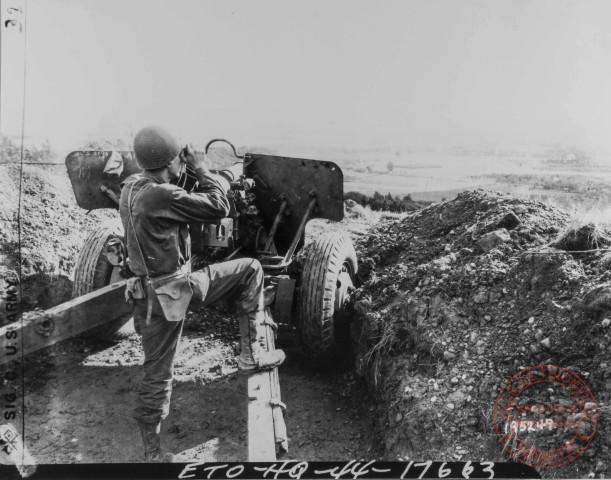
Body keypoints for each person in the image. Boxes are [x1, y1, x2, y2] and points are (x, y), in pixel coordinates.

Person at [119, 126, 285, 462]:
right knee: (251, 268)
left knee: (156, 371)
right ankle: (250, 355)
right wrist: (201, 168)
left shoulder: (132, 188)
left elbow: (169, 203)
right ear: (172, 159)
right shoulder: (160, 195)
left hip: (144, 294)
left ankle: (151, 453)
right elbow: (219, 205)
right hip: (174, 291)